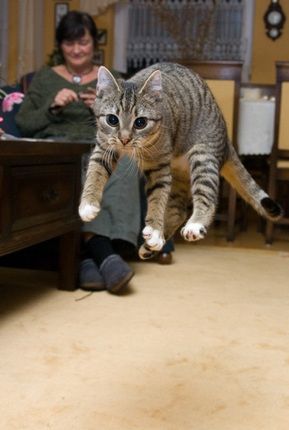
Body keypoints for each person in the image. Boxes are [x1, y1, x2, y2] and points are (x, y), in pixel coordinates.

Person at [15, 10, 173, 294]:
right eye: (69, 43)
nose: (76, 49)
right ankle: (103, 254)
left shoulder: (112, 81)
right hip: (59, 152)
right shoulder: (45, 79)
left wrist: (104, 112)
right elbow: (24, 123)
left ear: (94, 45)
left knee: (125, 170)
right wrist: (52, 106)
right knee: (83, 173)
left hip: (104, 147)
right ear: (60, 46)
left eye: (83, 42)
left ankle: (88, 259)